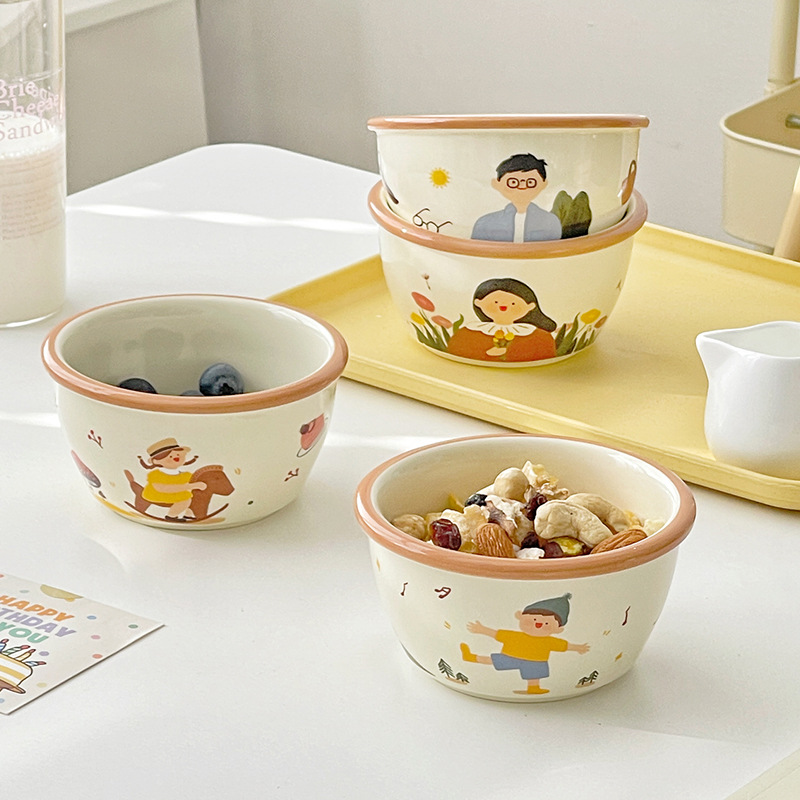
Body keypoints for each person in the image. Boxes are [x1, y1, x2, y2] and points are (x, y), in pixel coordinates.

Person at [460, 593, 589, 695]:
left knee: (535, 674)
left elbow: (565, 646)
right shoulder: (515, 636)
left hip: (536, 661)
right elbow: (496, 634)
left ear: (558, 630)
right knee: (492, 660)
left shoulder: (550, 641)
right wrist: (482, 629)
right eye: (534, 619)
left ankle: (533, 688)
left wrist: (578, 648)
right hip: (511, 655)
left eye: (546, 623)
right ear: (520, 617)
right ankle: (471, 657)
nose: (538, 624)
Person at [445, 277, 557, 362]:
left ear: (530, 307)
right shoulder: (469, 332)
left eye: (513, 303)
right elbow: (456, 348)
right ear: (479, 303)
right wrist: (487, 353)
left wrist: (508, 352)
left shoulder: (538, 335)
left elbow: (544, 352)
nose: (503, 306)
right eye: (496, 302)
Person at [471, 153, 562, 242]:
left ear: (543, 184)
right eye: (513, 182)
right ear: (496, 184)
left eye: (530, 182)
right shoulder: (485, 223)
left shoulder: (550, 221)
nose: (522, 187)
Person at [139, 437, 206, 520]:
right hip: (158, 494)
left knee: (193, 496)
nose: (176, 458)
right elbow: (163, 488)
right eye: (170, 456)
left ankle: (188, 514)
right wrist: (191, 486)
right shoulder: (156, 474)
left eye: (178, 455)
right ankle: (171, 516)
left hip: (177, 492)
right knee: (185, 499)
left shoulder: (185, 474)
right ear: (156, 461)